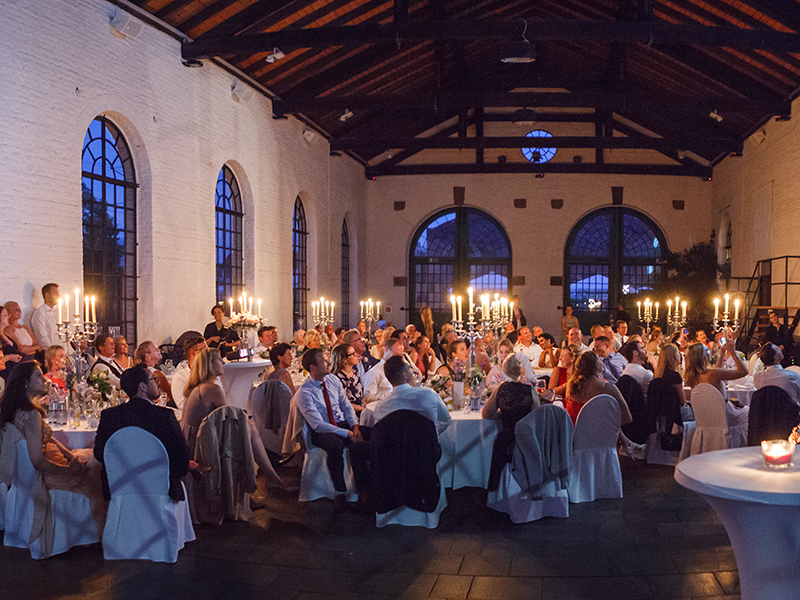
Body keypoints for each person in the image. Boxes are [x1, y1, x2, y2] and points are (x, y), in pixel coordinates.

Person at [0, 361, 104, 527]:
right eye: (38, 376)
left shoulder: (15, 410)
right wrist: (67, 470)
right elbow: (37, 460)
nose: (44, 380)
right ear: (26, 382)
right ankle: (94, 528)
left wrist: (69, 455)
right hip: (43, 474)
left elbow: (48, 437)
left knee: (85, 454)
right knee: (96, 467)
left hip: (36, 467)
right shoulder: (31, 415)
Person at [181, 348, 287, 489]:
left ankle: (263, 481)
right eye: (219, 360)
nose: (223, 363)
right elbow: (231, 417)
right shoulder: (212, 389)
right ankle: (263, 480)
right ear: (211, 364)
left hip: (194, 440)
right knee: (250, 430)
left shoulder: (198, 387)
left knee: (248, 428)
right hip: (200, 445)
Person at [93, 363, 189, 502]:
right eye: (153, 379)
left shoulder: (110, 416)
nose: (157, 383)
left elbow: (100, 454)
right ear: (142, 386)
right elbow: (181, 460)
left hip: (120, 490)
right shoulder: (164, 416)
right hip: (160, 490)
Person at [294, 348, 361, 508]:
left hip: (341, 423)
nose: (329, 362)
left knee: (373, 434)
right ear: (313, 367)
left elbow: (346, 406)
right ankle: (340, 492)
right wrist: (347, 433)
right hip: (322, 431)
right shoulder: (305, 392)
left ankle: (365, 487)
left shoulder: (333, 380)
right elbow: (317, 424)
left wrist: (355, 426)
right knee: (335, 445)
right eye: (324, 360)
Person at [482, 353, 536, 491]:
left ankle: (497, 493)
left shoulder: (501, 388)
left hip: (505, 439)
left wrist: (502, 415)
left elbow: (486, 414)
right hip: (526, 439)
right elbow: (536, 417)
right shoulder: (530, 390)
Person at [566, 352, 633, 429]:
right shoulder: (608, 388)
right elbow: (627, 418)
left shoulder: (571, 386)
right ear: (598, 366)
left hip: (573, 435)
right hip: (599, 435)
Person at [170, 336, 208, 414]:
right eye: (203, 350)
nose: (207, 353)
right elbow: (182, 404)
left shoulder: (211, 374)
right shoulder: (180, 377)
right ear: (193, 353)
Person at [363, 338, 405, 404]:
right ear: (386, 350)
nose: (397, 358)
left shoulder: (400, 370)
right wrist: (389, 395)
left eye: (400, 356)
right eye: (395, 354)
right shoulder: (374, 372)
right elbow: (368, 398)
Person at [332, 343, 364, 414]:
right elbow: (343, 403)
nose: (357, 355)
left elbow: (360, 397)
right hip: (349, 415)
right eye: (353, 354)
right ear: (344, 360)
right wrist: (363, 409)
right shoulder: (337, 378)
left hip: (360, 410)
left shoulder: (355, 373)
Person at [30, 283, 61, 350]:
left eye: (58, 293)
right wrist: (54, 352)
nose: (58, 295)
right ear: (47, 295)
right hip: (49, 354)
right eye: (55, 293)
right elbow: (42, 338)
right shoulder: (40, 313)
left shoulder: (58, 312)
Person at [0, 305, 22, 380]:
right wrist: (9, 357)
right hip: (3, 373)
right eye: (5, 315)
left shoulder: (5, 334)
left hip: (12, 372)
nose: (8, 317)